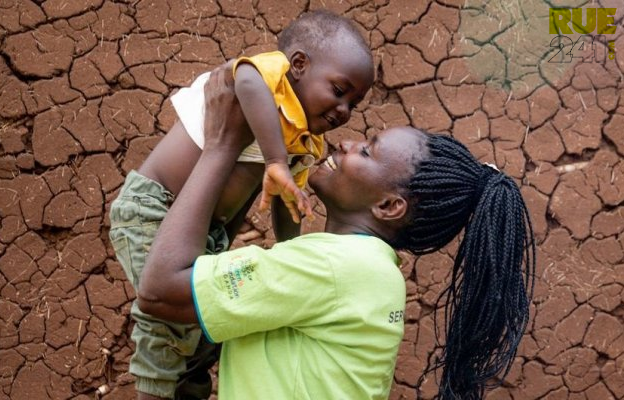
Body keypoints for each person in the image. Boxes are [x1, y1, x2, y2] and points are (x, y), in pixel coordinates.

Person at [138, 64, 536, 399]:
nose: (346, 143)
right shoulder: (372, 274)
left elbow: (159, 291)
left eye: (367, 151)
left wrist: (221, 145)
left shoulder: (330, 267)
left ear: (388, 207)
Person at [108, 10, 374, 400]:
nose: (344, 110)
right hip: (153, 209)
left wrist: (291, 251)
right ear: (299, 65)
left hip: (206, 234)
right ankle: (153, 392)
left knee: (206, 327)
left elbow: (285, 202)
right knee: (166, 318)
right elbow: (244, 77)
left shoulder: (305, 141)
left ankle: (189, 390)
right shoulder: (270, 83)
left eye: (354, 103)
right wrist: (275, 160)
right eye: (338, 90)